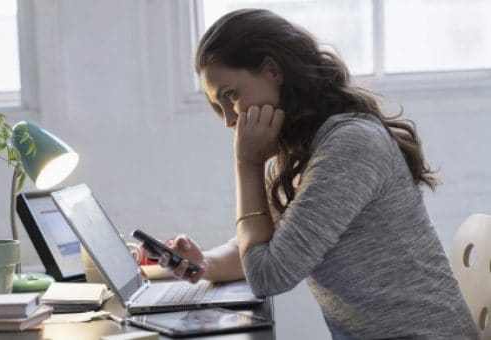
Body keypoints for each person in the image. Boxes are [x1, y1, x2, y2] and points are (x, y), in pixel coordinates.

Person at [149, 8, 479, 339]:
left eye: (230, 96)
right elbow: (253, 252)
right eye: (218, 107)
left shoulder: (350, 146)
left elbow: (268, 276)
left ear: (272, 70)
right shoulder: (306, 151)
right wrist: (202, 263)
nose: (228, 121)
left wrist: (246, 164)